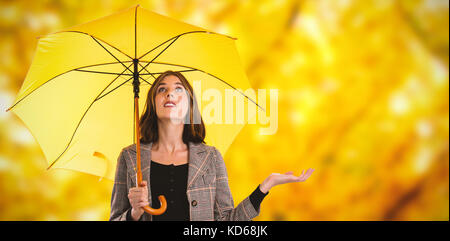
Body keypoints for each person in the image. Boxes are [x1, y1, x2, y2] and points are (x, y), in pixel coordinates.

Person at [109, 70, 315, 221]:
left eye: (178, 89)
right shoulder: (129, 157)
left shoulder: (211, 158)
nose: (169, 94)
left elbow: (226, 220)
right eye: (161, 90)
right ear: (153, 104)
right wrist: (134, 213)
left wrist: (265, 187)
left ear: (190, 105)